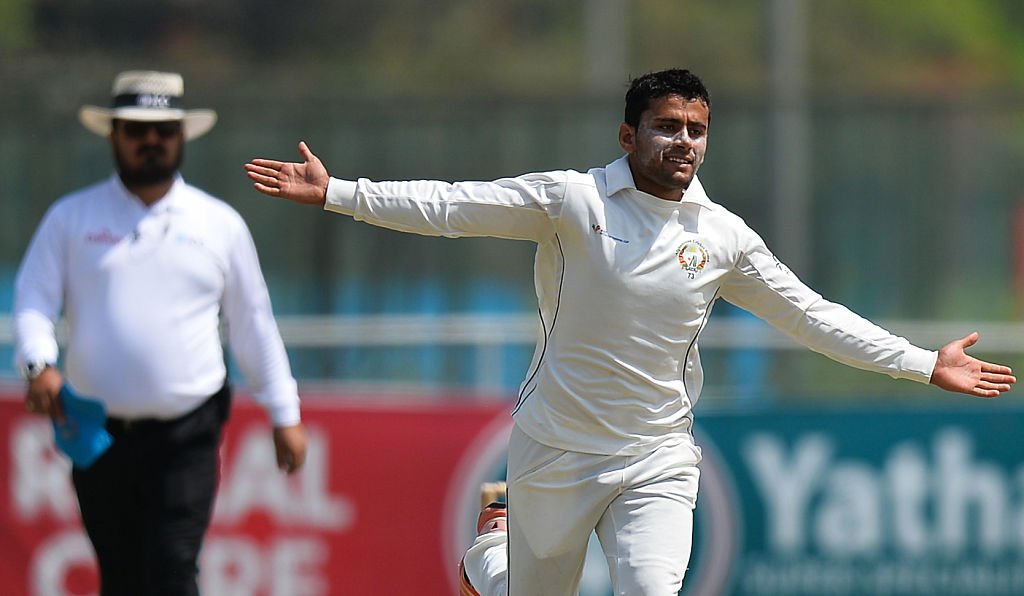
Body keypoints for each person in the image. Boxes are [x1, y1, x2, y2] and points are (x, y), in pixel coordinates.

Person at [243, 68, 1015, 595]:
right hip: (555, 446)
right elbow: (453, 206)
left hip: (657, 455)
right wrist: (340, 193)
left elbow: (809, 315)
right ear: (627, 134)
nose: (683, 142)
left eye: (697, 129)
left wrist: (921, 362)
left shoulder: (723, 236)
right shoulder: (572, 201)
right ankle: (490, 554)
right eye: (666, 126)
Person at [14, 70, 308, 596]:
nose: (151, 141)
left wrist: (284, 412)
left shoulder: (218, 223)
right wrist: (38, 362)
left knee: (173, 568)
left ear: (180, 137)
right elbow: (34, 297)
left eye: (164, 130)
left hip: (186, 433)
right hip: (96, 433)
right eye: (136, 130)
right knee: (122, 575)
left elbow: (253, 322)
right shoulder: (71, 218)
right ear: (114, 136)